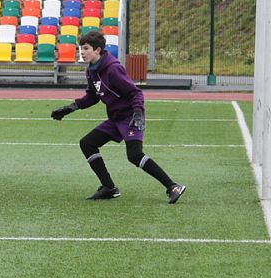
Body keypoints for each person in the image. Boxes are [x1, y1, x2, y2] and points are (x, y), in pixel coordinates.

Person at [50, 30, 186, 203]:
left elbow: (135, 93)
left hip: (130, 117)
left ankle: (172, 186)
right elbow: (92, 97)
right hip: (115, 118)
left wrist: (137, 113)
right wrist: (70, 108)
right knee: (87, 143)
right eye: (80, 49)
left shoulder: (113, 69)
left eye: (85, 48)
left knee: (134, 155)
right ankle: (109, 187)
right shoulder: (92, 71)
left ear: (97, 50)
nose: (82, 52)